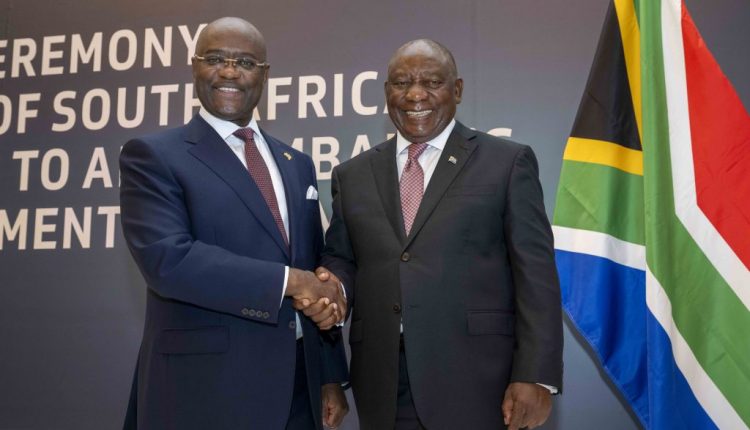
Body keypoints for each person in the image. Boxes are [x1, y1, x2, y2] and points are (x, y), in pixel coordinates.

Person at [314, 39, 563, 430]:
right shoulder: (352, 174)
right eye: (402, 83)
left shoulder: (507, 162)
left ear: (457, 90)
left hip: (480, 382)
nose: (415, 95)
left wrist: (535, 373)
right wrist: (335, 290)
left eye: (431, 82)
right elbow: (343, 258)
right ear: (387, 92)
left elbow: (536, 274)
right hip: (383, 384)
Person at [120, 17, 348, 430]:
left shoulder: (297, 163)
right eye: (215, 59)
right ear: (195, 67)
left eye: (244, 62)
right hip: (206, 392)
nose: (229, 72)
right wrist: (290, 282)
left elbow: (316, 265)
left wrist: (329, 375)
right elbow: (168, 261)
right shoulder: (153, 156)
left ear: (264, 74)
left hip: (299, 390)